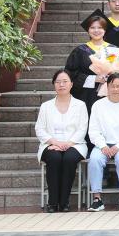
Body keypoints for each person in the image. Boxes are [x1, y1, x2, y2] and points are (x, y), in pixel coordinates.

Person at [35, 70, 89, 213]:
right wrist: (55, 142)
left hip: (75, 144)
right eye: (58, 82)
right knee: (54, 158)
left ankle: (64, 202)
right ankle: (52, 202)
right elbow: (39, 129)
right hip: (50, 144)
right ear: (54, 84)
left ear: (71, 84)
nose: (61, 85)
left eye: (65, 81)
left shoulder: (80, 105)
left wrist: (67, 144)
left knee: (69, 158)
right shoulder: (46, 106)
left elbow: (82, 129)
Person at [87, 74, 119, 211]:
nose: (115, 89)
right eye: (112, 86)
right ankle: (97, 198)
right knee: (95, 159)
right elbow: (94, 130)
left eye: (118, 86)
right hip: (102, 145)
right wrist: (103, 146)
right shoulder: (98, 105)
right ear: (107, 87)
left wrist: (118, 146)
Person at [64, 10, 111, 113]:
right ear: (88, 30)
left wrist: (110, 77)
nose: (96, 30)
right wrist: (94, 79)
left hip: (109, 94)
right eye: (92, 27)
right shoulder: (80, 51)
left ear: (105, 30)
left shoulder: (113, 50)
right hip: (86, 96)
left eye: (100, 27)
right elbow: (71, 74)